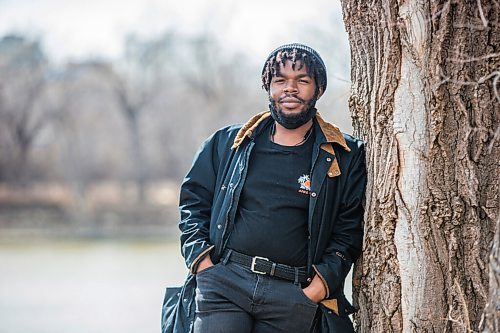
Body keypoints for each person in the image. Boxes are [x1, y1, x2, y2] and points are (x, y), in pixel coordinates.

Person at [162, 43, 366, 333]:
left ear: (319, 89)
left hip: (293, 293)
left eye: (302, 81)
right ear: (268, 87)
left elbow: (349, 229)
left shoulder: (344, 155)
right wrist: (203, 265)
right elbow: (193, 203)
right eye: (280, 80)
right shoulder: (228, 144)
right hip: (225, 284)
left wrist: (317, 289)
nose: (290, 89)